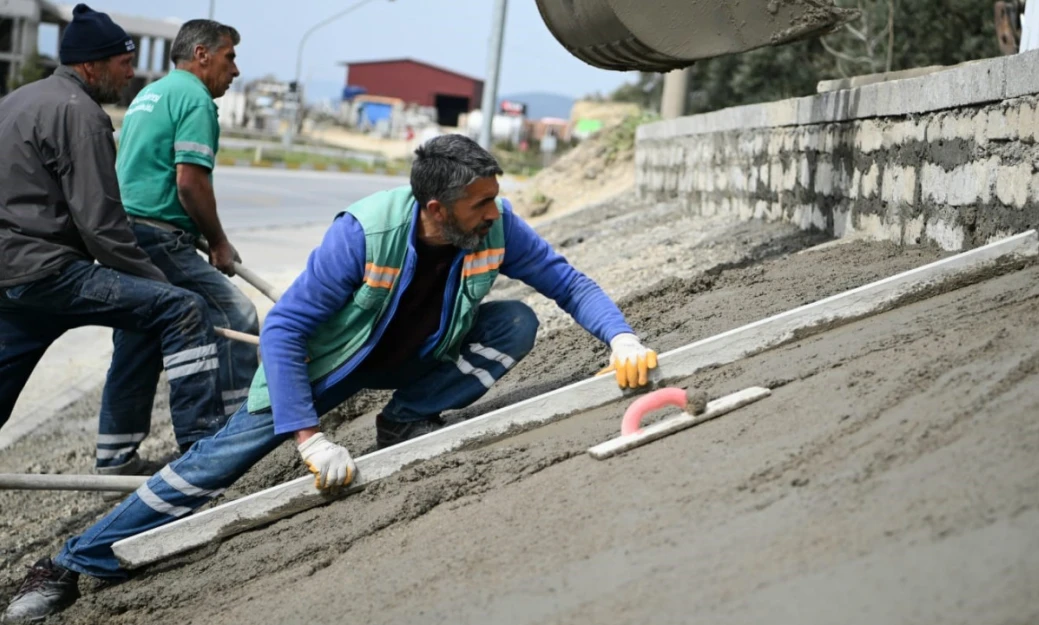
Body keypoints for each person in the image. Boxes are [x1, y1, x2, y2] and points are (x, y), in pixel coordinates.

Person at [2, 134, 659, 622]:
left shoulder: (496, 224)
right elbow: (284, 329)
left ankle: (407, 416)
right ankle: (69, 563)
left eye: (494, 199)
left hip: (415, 353)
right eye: (481, 202)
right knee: (212, 464)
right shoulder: (364, 232)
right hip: (325, 366)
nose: (496, 212)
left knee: (514, 320)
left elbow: (567, 280)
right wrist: (311, 437)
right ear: (436, 207)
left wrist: (620, 335)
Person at [0, 5, 227, 466]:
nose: (130, 74)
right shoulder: (80, 114)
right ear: (92, 65)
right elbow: (103, 226)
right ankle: (205, 456)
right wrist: (157, 281)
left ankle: (117, 455)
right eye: (124, 64)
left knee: (144, 318)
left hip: (10, 275)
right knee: (182, 308)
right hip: (51, 273)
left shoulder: (16, 101)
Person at [97, 18, 253, 477]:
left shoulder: (152, 93)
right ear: (202, 54)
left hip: (125, 234)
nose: (236, 70)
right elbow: (190, 183)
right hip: (156, 236)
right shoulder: (195, 98)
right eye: (230, 57)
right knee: (234, 315)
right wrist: (220, 243)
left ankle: (114, 458)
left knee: (139, 338)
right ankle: (235, 436)